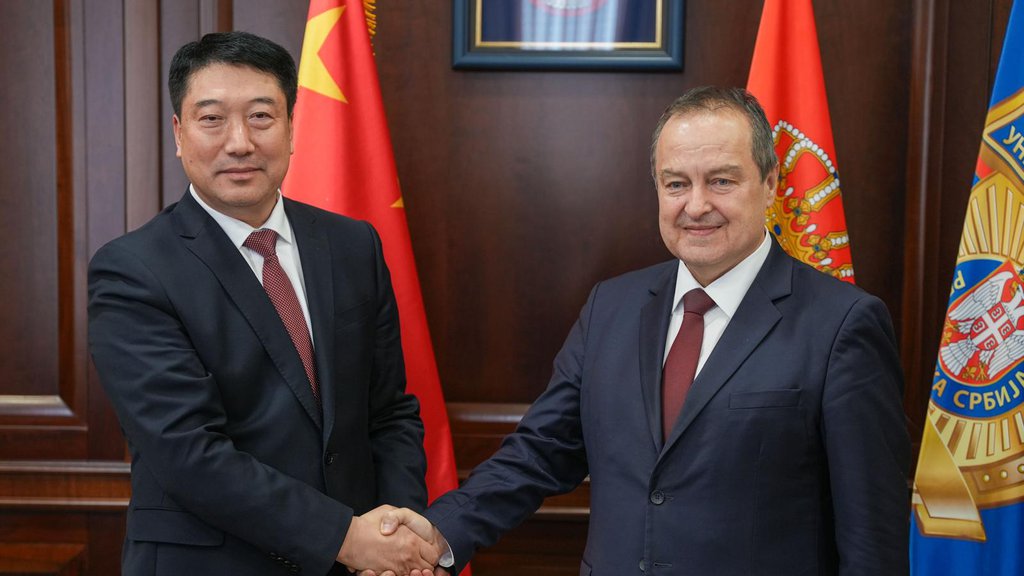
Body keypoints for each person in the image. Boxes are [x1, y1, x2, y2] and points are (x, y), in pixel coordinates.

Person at [378, 86, 912, 576]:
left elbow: (872, 541)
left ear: (770, 184)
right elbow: (542, 450)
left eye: (722, 181)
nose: (696, 205)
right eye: (676, 183)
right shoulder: (611, 306)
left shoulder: (843, 324)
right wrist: (439, 533)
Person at [88, 31, 438, 575]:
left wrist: (397, 535)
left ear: (292, 128)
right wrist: (346, 538)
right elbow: (187, 451)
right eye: (212, 119)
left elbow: (389, 411)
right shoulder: (133, 270)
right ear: (179, 133)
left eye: (260, 117)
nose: (240, 143)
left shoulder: (352, 245)